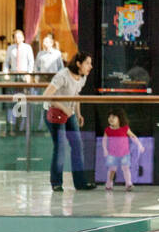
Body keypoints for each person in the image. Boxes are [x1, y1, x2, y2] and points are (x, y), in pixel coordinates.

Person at [42, 52, 96, 192]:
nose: (90, 66)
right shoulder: (63, 76)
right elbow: (47, 96)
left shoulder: (83, 77)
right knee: (60, 147)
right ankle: (56, 183)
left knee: (77, 145)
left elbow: (76, 94)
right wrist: (65, 109)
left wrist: (78, 113)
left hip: (69, 112)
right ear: (78, 64)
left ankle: (80, 183)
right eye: (87, 63)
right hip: (54, 112)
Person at [101, 108, 145, 191]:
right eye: (109, 117)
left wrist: (139, 145)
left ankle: (128, 184)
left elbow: (132, 136)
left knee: (126, 168)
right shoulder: (108, 130)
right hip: (112, 154)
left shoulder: (125, 128)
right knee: (112, 170)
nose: (110, 119)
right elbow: (104, 140)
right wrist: (105, 149)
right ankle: (109, 184)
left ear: (119, 118)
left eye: (113, 117)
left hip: (124, 153)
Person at [5, 29, 34, 134]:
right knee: (13, 100)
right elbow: (6, 62)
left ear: (23, 37)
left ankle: (20, 126)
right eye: (15, 37)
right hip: (13, 76)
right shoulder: (10, 48)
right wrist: (6, 73)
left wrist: (29, 74)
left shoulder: (27, 48)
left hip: (24, 76)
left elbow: (31, 62)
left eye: (19, 37)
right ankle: (11, 124)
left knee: (22, 100)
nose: (17, 39)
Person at [34, 34, 64, 128]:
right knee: (44, 101)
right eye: (44, 41)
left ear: (51, 43)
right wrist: (36, 77)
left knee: (53, 101)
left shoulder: (57, 54)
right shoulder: (40, 54)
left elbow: (61, 68)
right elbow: (36, 67)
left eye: (47, 42)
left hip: (54, 79)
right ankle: (42, 123)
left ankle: (54, 122)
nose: (45, 43)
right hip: (43, 79)